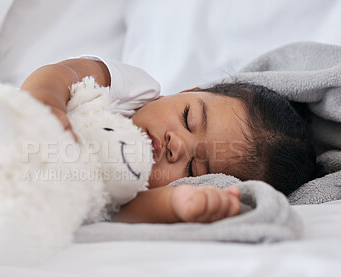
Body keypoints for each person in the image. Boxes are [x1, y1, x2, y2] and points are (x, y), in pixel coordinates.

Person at [20, 57, 317, 224]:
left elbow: (120, 213)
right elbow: (63, 73)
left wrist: (177, 205)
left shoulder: (130, 187)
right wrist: (45, 101)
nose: (177, 145)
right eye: (188, 118)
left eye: (193, 170)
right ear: (187, 91)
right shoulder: (136, 91)